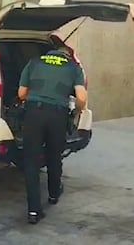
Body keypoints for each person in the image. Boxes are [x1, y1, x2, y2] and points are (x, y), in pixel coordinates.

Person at [17, 35, 88, 224]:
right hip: (57, 115)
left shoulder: (33, 63)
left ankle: (33, 211)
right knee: (54, 156)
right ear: (68, 55)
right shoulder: (73, 68)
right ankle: (54, 195)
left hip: (34, 114)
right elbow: (81, 97)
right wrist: (76, 112)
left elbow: (21, 94)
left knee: (31, 161)